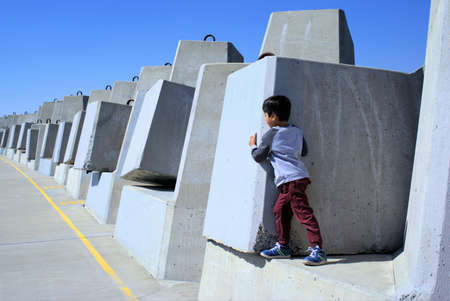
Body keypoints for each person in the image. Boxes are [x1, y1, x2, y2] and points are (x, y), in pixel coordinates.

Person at [248, 95, 327, 266]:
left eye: (266, 115)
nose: (265, 118)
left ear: (274, 116)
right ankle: (282, 246)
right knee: (280, 210)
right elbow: (303, 151)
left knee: (303, 214)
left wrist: (252, 145)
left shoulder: (271, 134)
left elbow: (259, 155)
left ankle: (318, 250)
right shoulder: (297, 131)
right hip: (297, 177)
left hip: (290, 180)